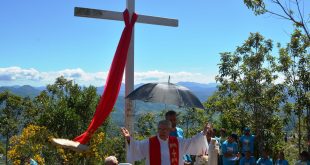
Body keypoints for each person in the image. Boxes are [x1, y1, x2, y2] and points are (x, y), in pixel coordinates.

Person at [121, 120, 209, 165]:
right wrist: (129, 139)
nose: (162, 131)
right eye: (160, 129)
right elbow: (137, 147)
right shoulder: (150, 142)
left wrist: (203, 133)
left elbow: (192, 142)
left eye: (164, 129)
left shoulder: (177, 142)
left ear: (170, 130)